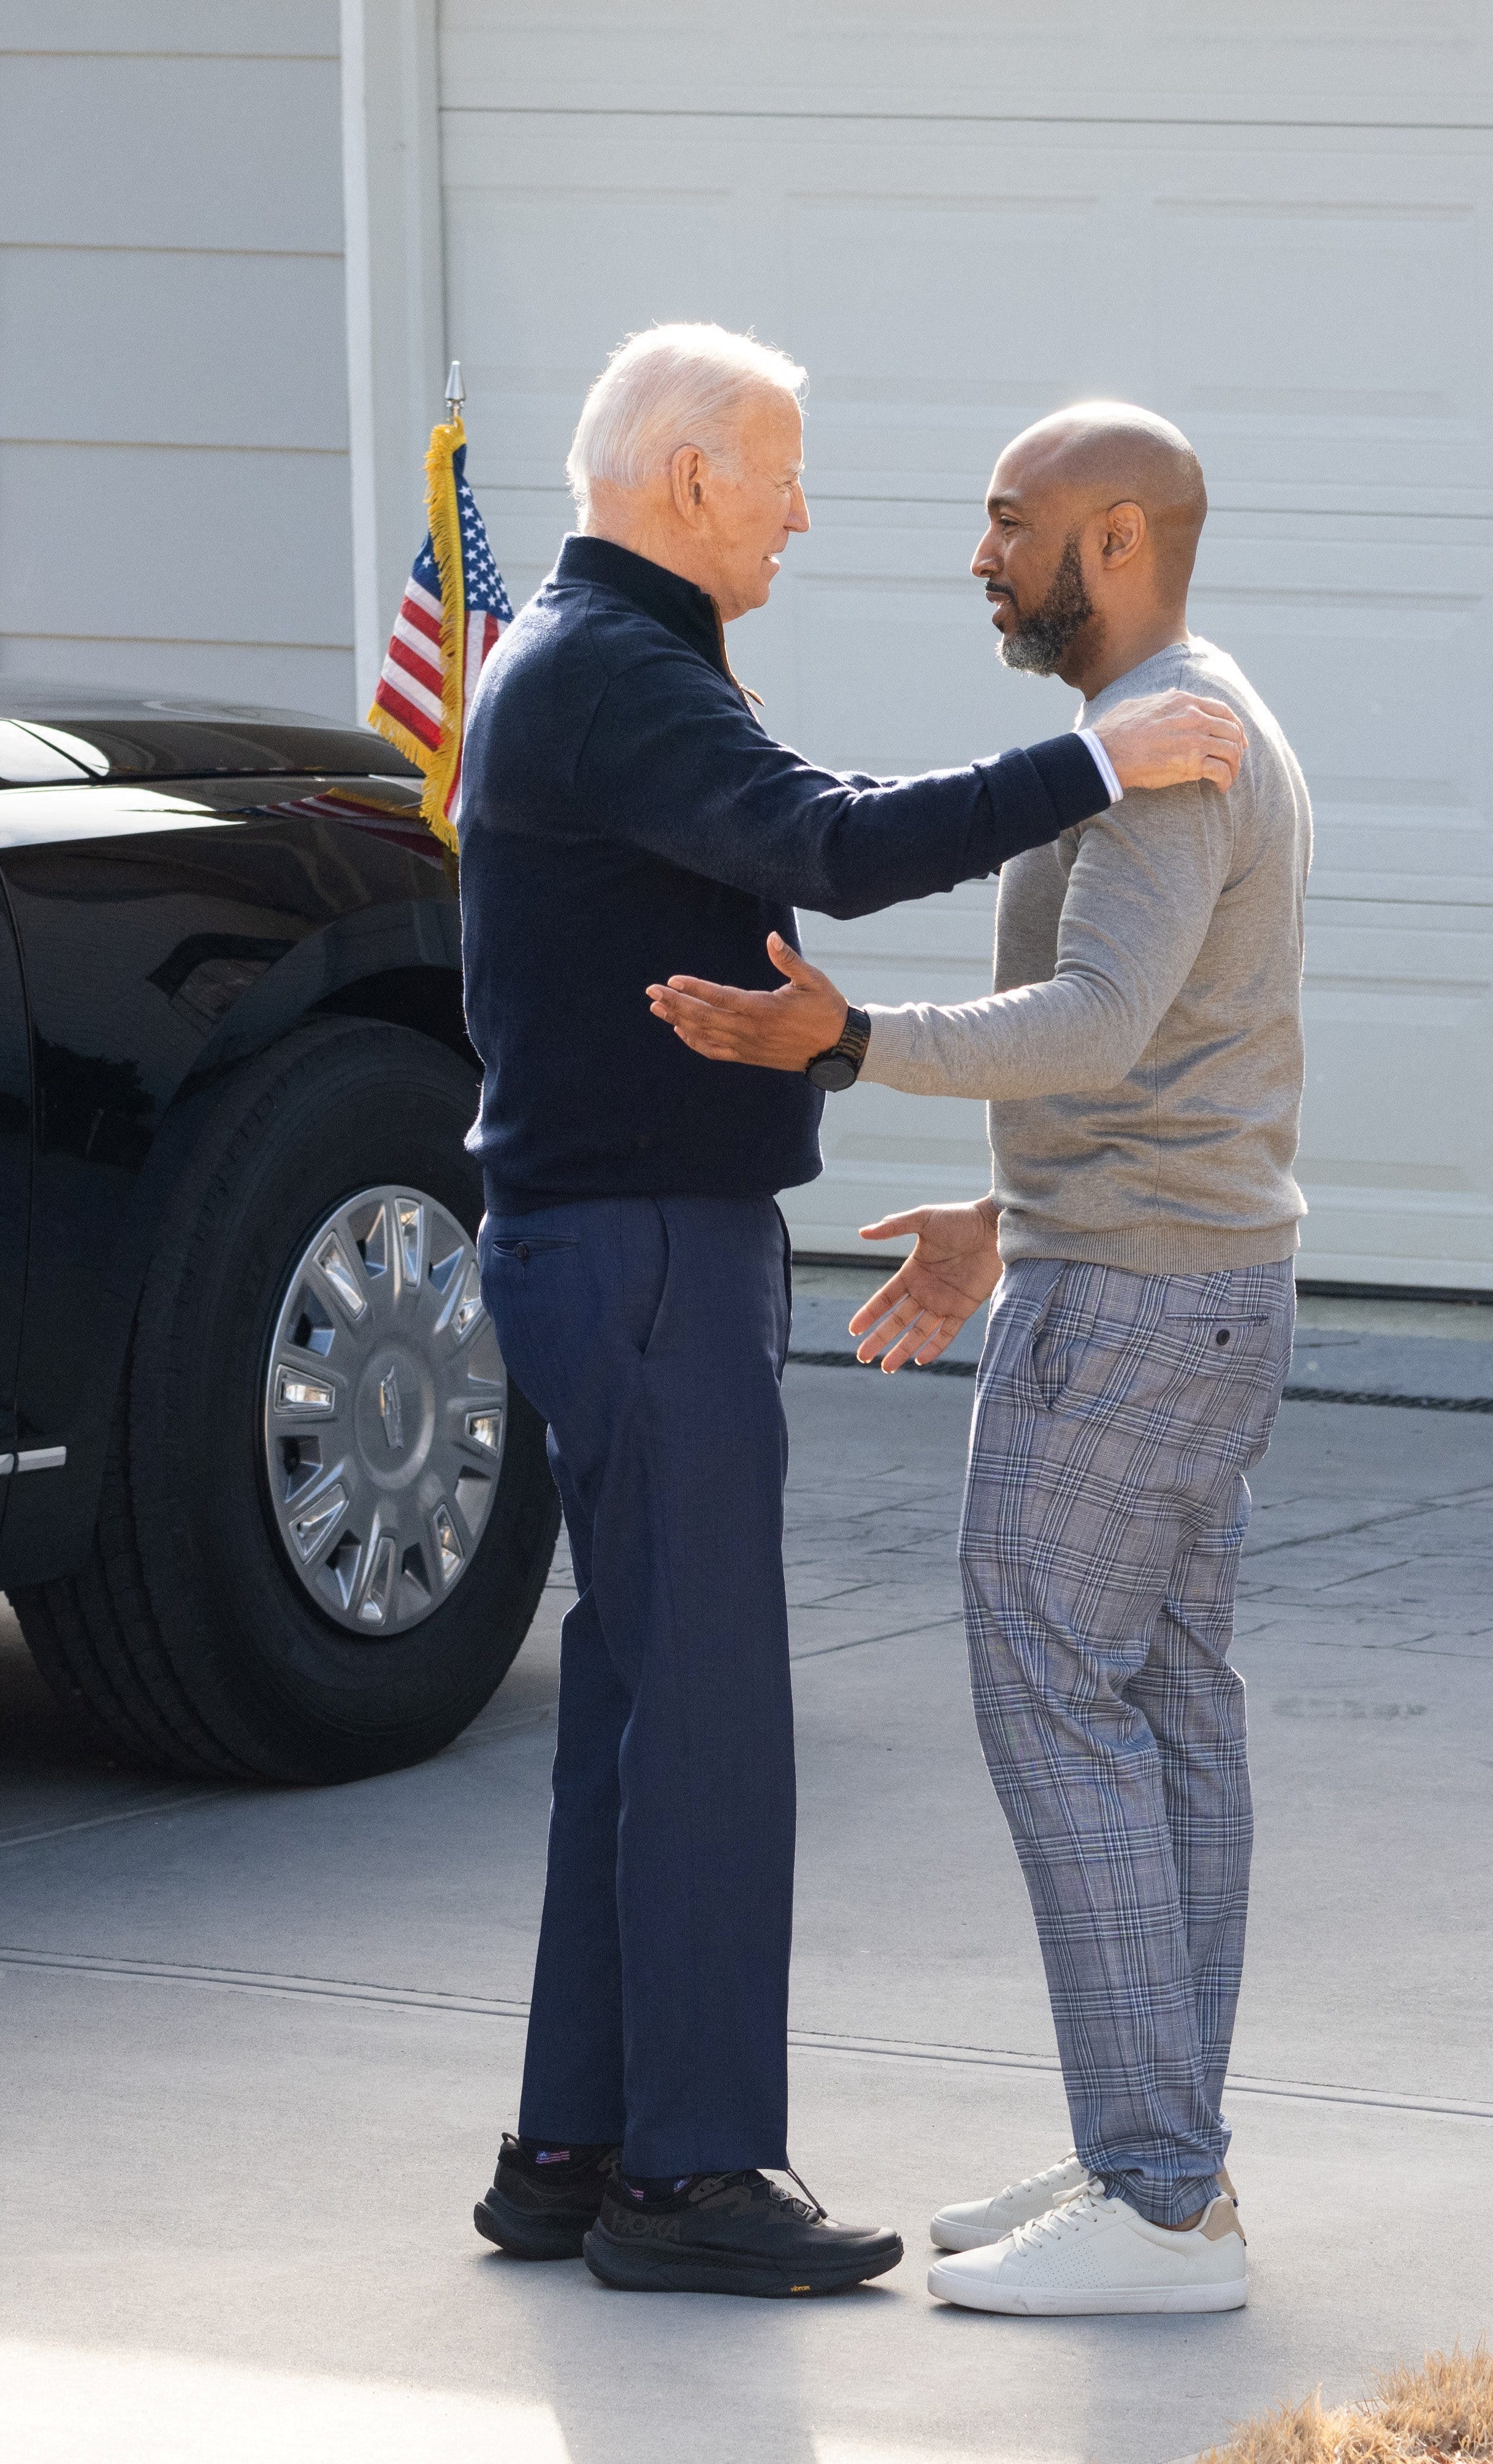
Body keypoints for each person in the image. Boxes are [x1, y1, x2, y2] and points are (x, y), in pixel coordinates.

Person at [456, 325, 1253, 2300]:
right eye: (784, 472)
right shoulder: (604, 667)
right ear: (686, 477)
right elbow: (823, 838)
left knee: (639, 1703)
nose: (807, 511)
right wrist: (1092, 759)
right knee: (704, 1709)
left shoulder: (597, 659)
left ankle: (574, 2148)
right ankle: (692, 2176)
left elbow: (797, 822)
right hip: (641, 1242)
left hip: (617, 1234)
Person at [651, 403, 1309, 2317]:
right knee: (1166, 1704)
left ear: (1113, 538)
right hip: (1184, 1278)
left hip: (1127, 1308)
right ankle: (1153, 2155)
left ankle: (1161, 2203)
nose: (975, 553)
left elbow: (1099, 1023)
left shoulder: (1165, 753)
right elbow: (1169, 1055)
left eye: (1004, 524)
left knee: (1060, 1707)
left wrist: (841, 1044)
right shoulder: (1186, 716)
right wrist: (994, 1216)